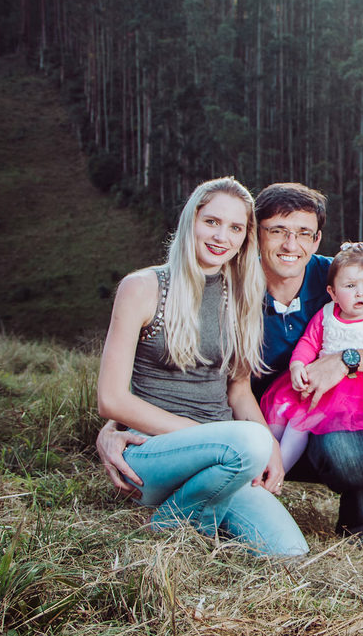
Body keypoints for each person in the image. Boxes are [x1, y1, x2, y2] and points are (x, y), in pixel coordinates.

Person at [98, 182, 363, 538]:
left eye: (303, 234)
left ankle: (353, 515)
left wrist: (346, 359)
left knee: (332, 481)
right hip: (246, 431)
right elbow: (137, 385)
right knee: (250, 449)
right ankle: (184, 520)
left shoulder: (340, 279)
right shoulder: (238, 285)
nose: (290, 245)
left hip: (310, 421)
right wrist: (113, 427)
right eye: (277, 231)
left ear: (316, 239)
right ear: (257, 235)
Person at [95, 177, 308, 557]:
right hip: (153, 452)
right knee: (248, 443)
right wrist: (215, 440)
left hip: (227, 456)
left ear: (245, 238)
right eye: (211, 221)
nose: (221, 236)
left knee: (288, 551)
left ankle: (179, 517)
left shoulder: (243, 296)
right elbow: (111, 400)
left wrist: (270, 448)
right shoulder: (142, 287)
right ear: (190, 220)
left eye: (235, 227)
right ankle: (177, 530)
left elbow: (238, 390)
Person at [261, 241, 363, 471]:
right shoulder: (326, 315)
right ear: (332, 293)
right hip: (317, 386)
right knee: (281, 414)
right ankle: (262, 461)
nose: (360, 292)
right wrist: (297, 365)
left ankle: (277, 472)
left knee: (299, 425)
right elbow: (308, 342)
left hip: (357, 395)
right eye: (350, 286)